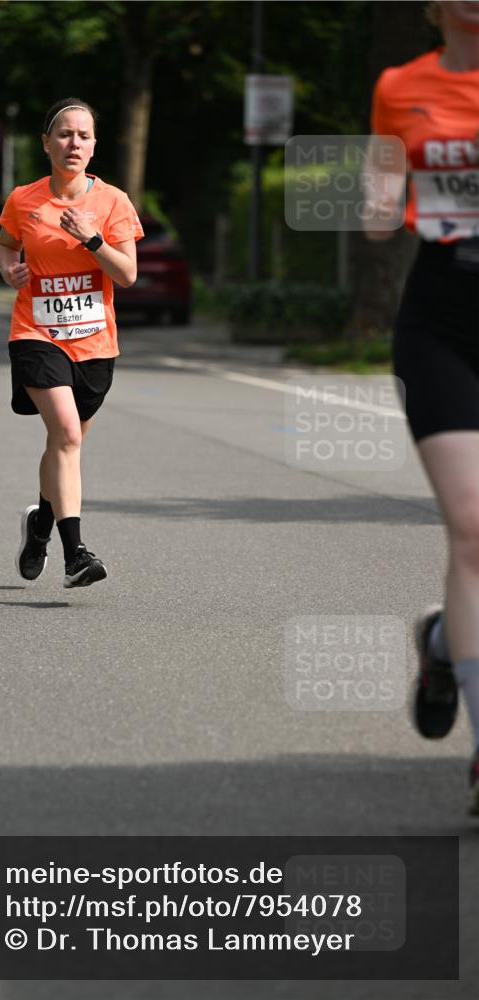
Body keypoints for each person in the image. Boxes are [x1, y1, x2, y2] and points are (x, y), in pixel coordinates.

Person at [365, 1, 479, 815]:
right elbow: (381, 190)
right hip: (442, 320)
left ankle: (441, 645)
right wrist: (377, 197)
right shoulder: (399, 86)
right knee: (473, 528)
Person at [0, 98, 143, 588]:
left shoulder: (113, 202)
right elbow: (5, 246)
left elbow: (126, 275)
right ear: (46, 143)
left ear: (95, 145)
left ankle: (40, 523)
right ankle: (75, 553)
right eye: (63, 134)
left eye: (83, 135)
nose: (73, 143)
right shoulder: (24, 199)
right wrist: (9, 270)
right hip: (36, 333)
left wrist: (93, 239)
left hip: (96, 343)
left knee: (64, 443)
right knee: (68, 434)